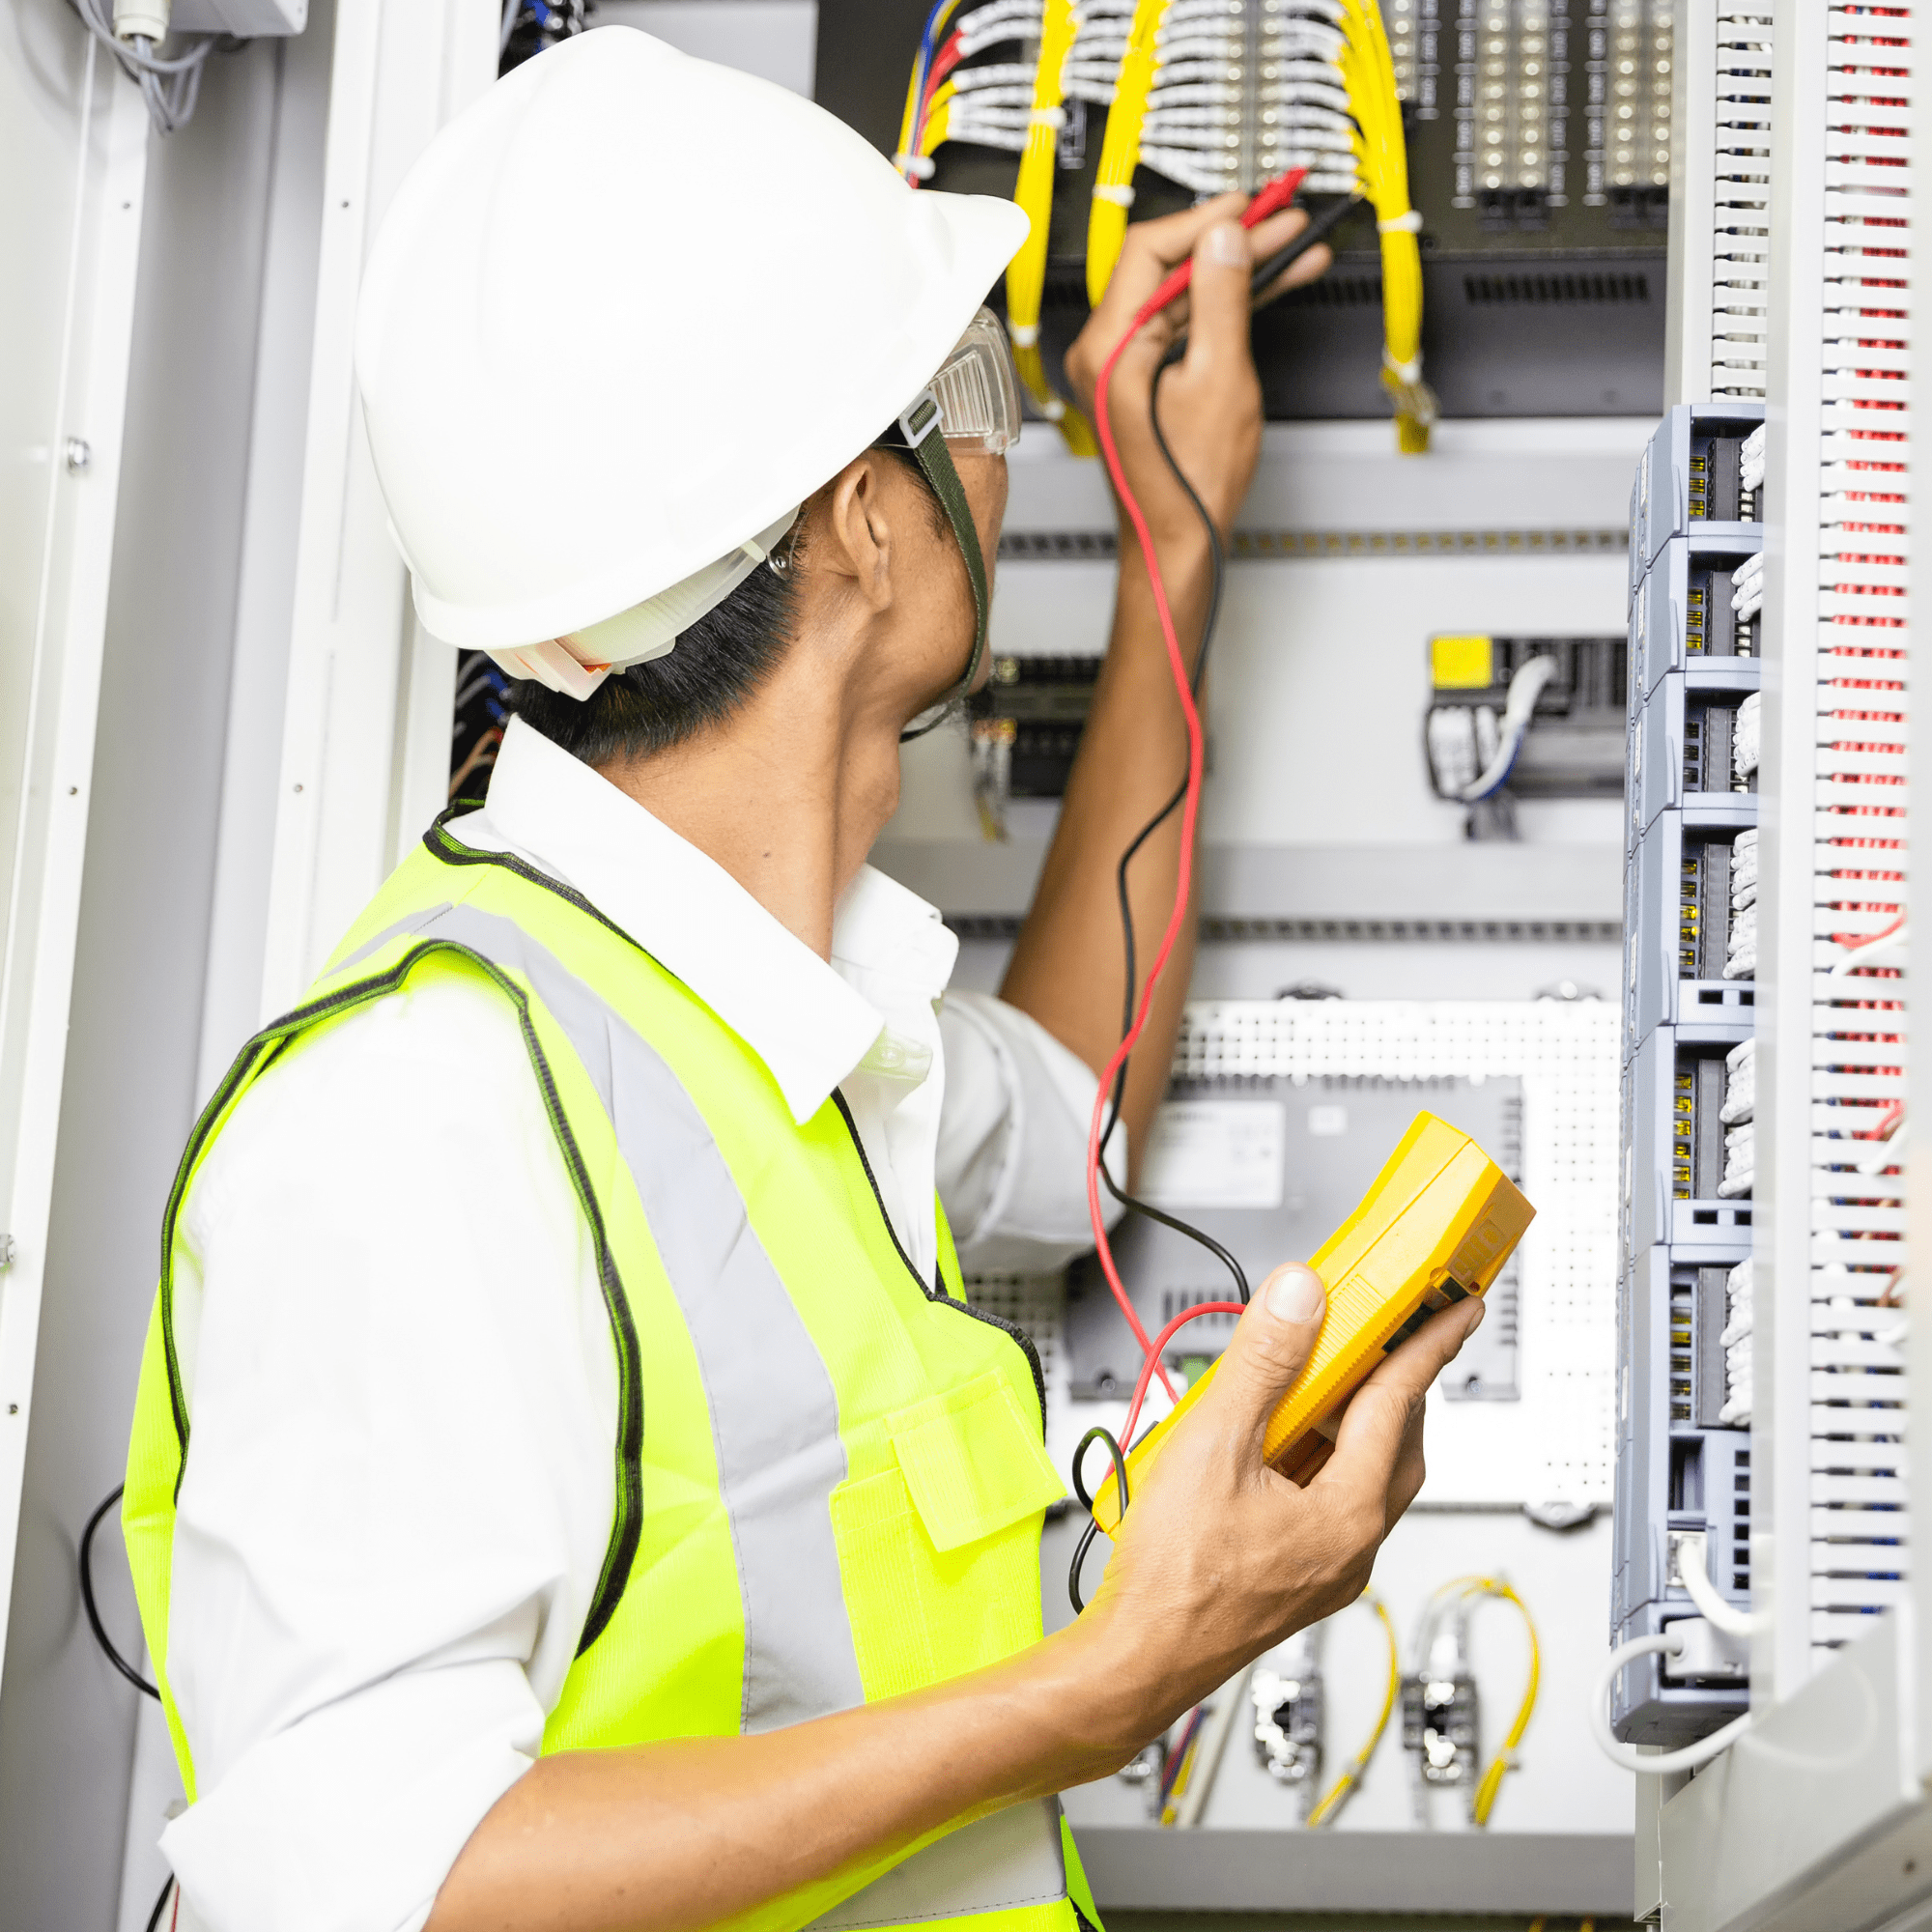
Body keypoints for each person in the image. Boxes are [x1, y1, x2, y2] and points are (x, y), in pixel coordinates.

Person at [122, 27, 1481, 1932]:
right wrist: (1103, 1679)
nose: (1003, 444)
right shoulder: (419, 1104)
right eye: (974, 390)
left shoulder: (779, 1012)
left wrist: (1172, 555)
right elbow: (366, 1894)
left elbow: (1074, 1114)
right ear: (863, 514)